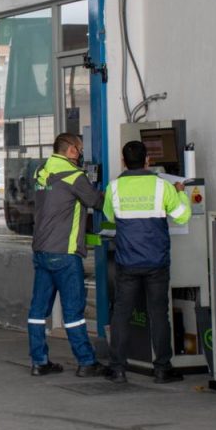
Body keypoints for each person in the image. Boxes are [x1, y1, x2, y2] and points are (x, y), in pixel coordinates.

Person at [103, 141, 191, 384]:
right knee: (159, 314)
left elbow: (110, 215)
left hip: (127, 262)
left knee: (121, 313)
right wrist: (181, 192)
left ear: (123, 161)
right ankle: (162, 369)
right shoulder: (163, 186)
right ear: (148, 161)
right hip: (156, 262)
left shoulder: (114, 187)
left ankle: (117, 368)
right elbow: (182, 216)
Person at [28, 133, 107, 377]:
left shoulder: (41, 171)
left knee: (38, 311)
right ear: (71, 150)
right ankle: (86, 362)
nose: (81, 153)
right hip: (64, 252)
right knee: (73, 312)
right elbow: (96, 202)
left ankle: (39, 362)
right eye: (80, 149)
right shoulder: (74, 175)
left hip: (41, 250)